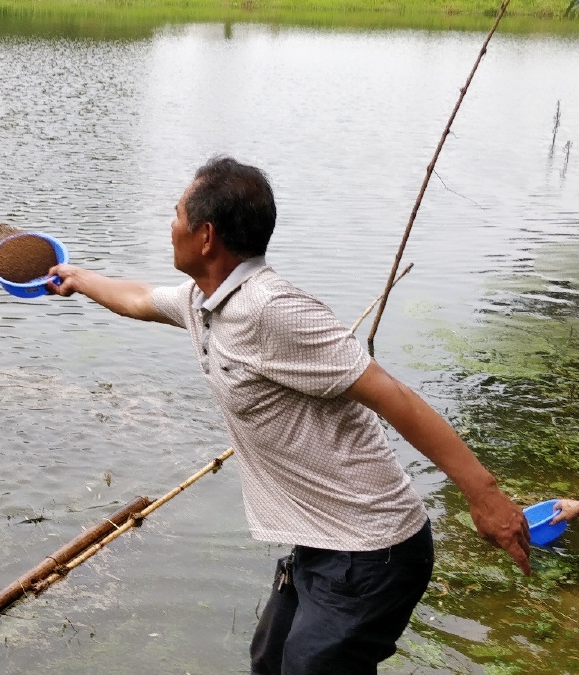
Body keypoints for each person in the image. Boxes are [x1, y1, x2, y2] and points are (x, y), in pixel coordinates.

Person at [45, 156, 531, 675]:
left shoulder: (274, 311)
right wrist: (80, 278)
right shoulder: (205, 302)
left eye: (177, 214)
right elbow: (141, 298)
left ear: (205, 236)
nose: (170, 225)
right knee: (270, 661)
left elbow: (394, 396)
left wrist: (485, 496)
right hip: (323, 543)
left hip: (373, 550)